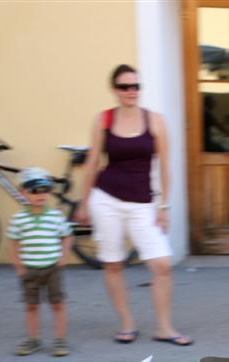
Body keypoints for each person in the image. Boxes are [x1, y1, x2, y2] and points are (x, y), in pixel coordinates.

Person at [74, 64, 192, 346]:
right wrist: (83, 202)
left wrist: (164, 207)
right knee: (113, 264)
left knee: (162, 265)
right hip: (107, 199)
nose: (131, 92)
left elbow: (165, 166)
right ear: (115, 90)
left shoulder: (155, 121)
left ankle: (164, 327)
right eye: (125, 87)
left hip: (143, 203)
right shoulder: (103, 120)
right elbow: (93, 164)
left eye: (136, 86)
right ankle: (126, 323)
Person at [7, 167, 73, 357]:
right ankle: (33, 340)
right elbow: (13, 241)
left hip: (53, 269)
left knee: (57, 304)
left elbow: (68, 236)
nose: (40, 195)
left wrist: (64, 256)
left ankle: (60, 341)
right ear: (23, 193)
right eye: (34, 191)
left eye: (44, 190)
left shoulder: (55, 216)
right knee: (31, 305)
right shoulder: (19, 219)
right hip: (30, 269)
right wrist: (18, 265)